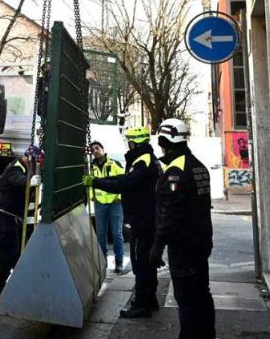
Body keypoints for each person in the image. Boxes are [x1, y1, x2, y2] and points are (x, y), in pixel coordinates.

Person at [83, 126, 160, 318]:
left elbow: (125, 183)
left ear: (135, 142)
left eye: (130, 142)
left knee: (140, 261)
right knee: (146, 261)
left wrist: (97, 182)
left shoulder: (142, 161)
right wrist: (99, 181)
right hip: (146, 218)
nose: (129, 145)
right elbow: (124, 178)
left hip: (143, 220)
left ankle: (142, 304)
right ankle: (149, 299)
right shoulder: (146, 159)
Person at [150, 118, 215, 338]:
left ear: (164, 140)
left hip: (184, 247)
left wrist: (157, 247)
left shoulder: (175, 171)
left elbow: (170, 214)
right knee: (202, 294)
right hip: (201, 243)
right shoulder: (198, 166)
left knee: (187, 300)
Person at [0, 144, 42, 296]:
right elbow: (16, 179)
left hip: (15, 216)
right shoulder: (15, 167)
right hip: (6, 215)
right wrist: (30, 181)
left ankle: (16, 282)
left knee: (18, 251)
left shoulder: (26, 168)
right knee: (9, 251)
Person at [88, 140, 126, 273]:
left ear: (103, 149)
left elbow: (123, 180)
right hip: (100, 203)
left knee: (117, 233)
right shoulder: (90, 167)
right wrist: (91, 196)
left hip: (115, 203)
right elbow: (88, 183)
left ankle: (119, 261)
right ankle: (102, 262)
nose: (95, 151)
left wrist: (119, 197)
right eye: (92, 150)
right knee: (100, 234)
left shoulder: (114, 164)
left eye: (97, 148)